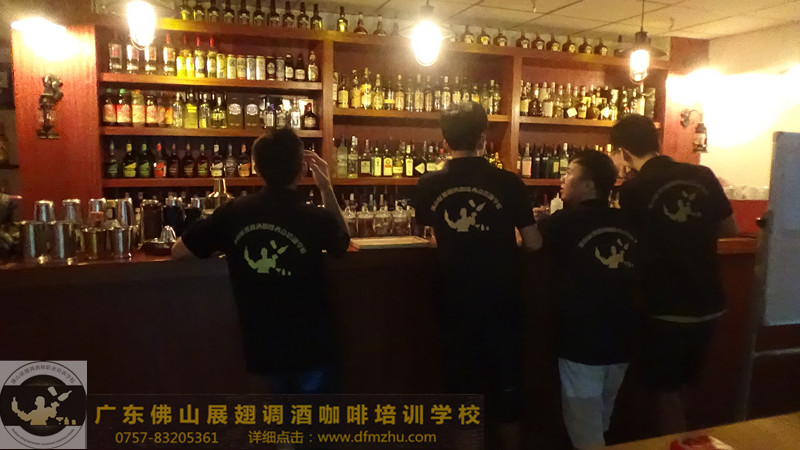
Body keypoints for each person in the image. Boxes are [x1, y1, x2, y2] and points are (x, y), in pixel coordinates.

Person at [172, 128, 350, 395]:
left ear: (256, 168)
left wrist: (224, 246)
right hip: (311, 347)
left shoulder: (234, 212)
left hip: (263, 349)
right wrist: (326, 186)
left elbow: (179, 251)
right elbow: (343, 242)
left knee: (273, 418)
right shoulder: (315, 218)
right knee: (315, 418)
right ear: (301, 168)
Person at [413, 101, 542, 450]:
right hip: (502, 304)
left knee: (463, 394)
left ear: (444, 140)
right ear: (484, 137)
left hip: (453, 304)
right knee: (507, 390)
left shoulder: (429, 183)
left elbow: (429, 237)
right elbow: (533, 242)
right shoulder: (508, 182)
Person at [610, 114, 739, 434]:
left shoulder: (634, 190)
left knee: (665, 389)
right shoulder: (702, 174)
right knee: (684, 383)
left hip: (665, 303)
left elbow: (627, 241)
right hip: (709, 301)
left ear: (623, 153)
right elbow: (730, 228)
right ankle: (687, 439)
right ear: (656, 142)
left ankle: (678, 442)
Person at [535, 150, 638, 449]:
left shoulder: (562, 222)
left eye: (570, 173)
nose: (563, 178)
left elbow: (530, 244)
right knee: (602, 418)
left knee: (585, 428)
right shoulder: (629, 220)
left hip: (581, 338)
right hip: (624, 336)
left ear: (589, 185)